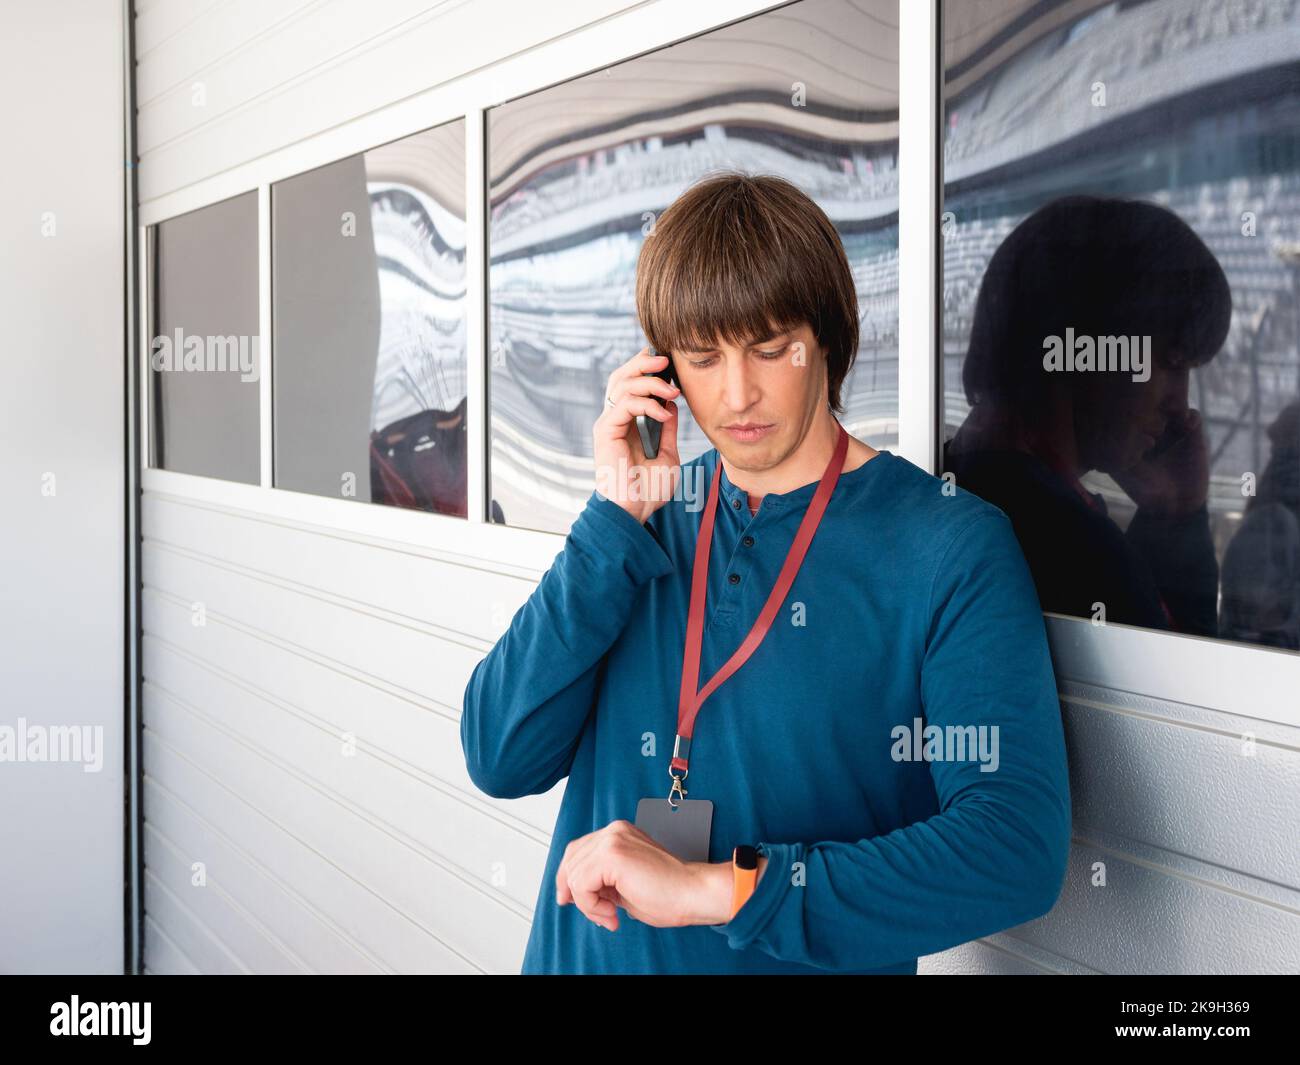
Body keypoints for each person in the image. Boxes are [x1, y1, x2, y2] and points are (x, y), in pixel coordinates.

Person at [461, 171, 1071, 974]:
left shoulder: (948, 546)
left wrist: (719, 889)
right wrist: (613, 520)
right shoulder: (641, 526)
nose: (739, 392)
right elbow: (500, 753)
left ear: (826, 337)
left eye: (772, 346)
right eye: (704, 357)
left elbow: (1013, 845)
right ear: (662, 371)